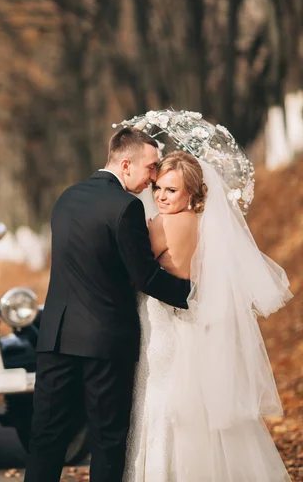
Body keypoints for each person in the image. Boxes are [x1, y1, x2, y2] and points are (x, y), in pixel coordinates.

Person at [24, 129, 193, 482]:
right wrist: (192, 294)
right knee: (107, 442)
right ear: (126, 163)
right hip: (105, 342)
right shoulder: (126, 207)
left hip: (55, 338)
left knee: (46, 438)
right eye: (150, 168)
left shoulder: (67, 198)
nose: (153, 178)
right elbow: (144, 277)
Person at [124, 151, 292, 482]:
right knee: (192, 415)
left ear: (192, 193)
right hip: (187, 328)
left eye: (171, 190)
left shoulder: (162, 224)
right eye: (158, 188)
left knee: (160, 408)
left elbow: (132, 268)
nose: (160, 195)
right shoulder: (200, 225)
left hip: (163, 332)